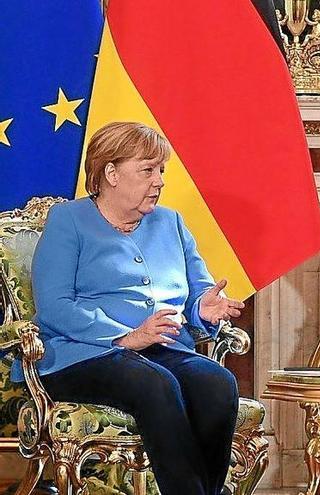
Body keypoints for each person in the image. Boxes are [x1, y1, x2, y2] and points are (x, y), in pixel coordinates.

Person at [13, 122, 246, 495]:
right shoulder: (68, 222)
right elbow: (55, 305)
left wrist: (204, 307)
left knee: (216, 382)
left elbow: (197, 290)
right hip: (80, 353)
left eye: (161, 171)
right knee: (153, 383)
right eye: (147, 170)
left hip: (161, 348)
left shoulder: (170, 222)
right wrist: (125, 336)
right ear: (111, 173)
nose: (159, 181)